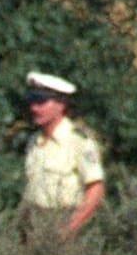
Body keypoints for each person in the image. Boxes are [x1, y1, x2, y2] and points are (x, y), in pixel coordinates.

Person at [20, 71, 104, 237]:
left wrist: (68, 229)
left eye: (41, 102)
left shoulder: (78, 141)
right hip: (34, 224)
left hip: (64, 221)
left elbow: (95, 189)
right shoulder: (34, 141)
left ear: (61, 104)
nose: (34, 108)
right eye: (32, 101)